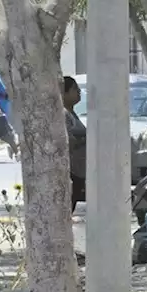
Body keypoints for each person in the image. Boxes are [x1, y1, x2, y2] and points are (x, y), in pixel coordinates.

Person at [62, 76, 87, 207]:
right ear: (64, 92)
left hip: (79, 172)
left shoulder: (72, 113)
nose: (79, 92)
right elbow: (67, 141)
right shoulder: (63, 114)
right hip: (72, 172)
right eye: (75, 89)